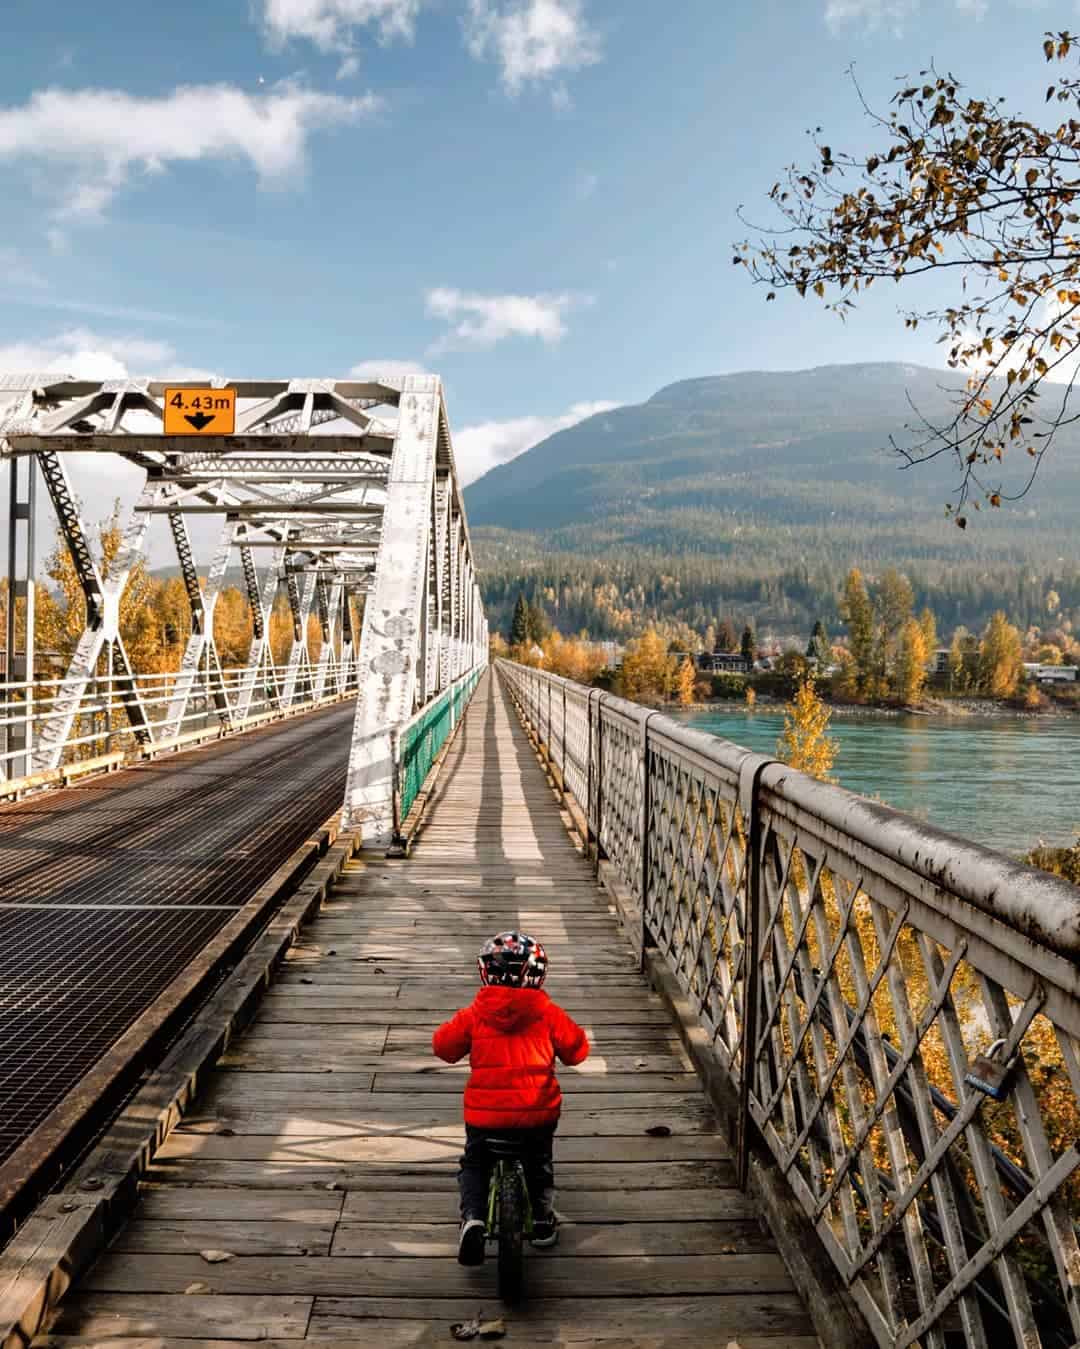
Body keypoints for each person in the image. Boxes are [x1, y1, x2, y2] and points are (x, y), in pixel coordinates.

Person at [432, 931, 590, 1266]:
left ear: (485, 971)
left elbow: (443, 1048)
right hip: (536, 1114)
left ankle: (473, 1217)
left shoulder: (475, 1014)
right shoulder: (549, 1013)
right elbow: (577, 1052)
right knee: (538, 1164)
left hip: (485, 1118)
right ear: (538, 974)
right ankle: (543, 1222)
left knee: (475, 1164)